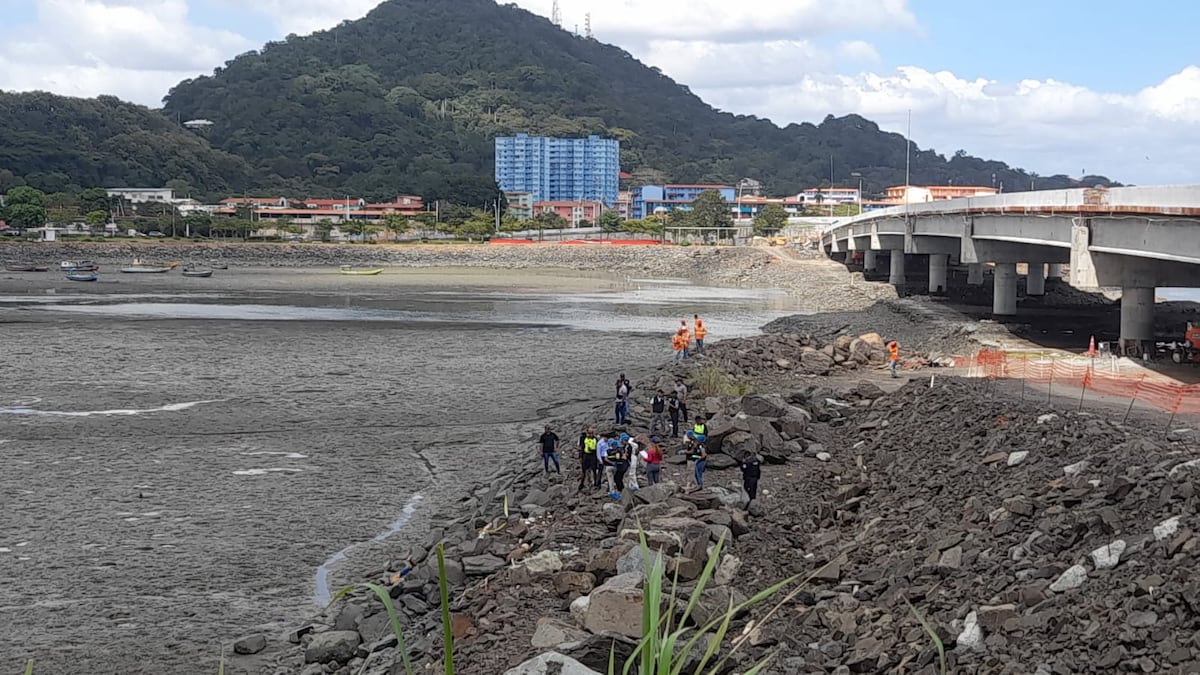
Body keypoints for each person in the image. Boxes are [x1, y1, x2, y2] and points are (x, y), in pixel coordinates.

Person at [686, 421, 708, 489]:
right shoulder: (695, 445)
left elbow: (704, 454)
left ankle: (700, 485)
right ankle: (698, 484)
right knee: (696, 473)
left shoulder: (701, 446)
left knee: (699, 473)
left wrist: (699, 459)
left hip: (700, 461)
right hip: (697, 459)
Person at [578, 427, 599, 493]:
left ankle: (595, 483)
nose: (590, 434)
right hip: (586, 455)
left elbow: (597, 449)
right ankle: (582, 483)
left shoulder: (595, 439)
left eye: (592, 433)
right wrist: (580, 457)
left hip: (593, 456)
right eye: (589, 433)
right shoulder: (584, 438)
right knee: (584, 471)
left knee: (594, 470)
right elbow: (582, 448)